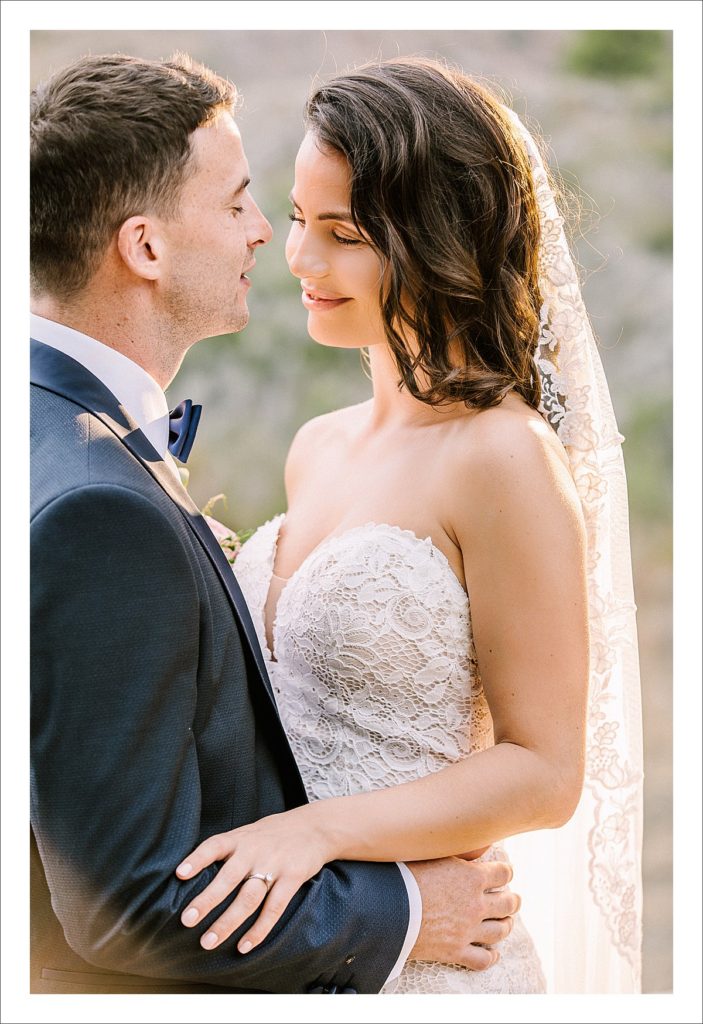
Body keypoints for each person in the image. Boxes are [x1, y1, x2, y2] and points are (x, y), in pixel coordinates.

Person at [29, 52, 521, 996]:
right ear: (144, 247)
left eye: (324, 225)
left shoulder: (45, 424)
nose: (269, 239)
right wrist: (412, 911)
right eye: (242, 204)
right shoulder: (99, 504)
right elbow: (123, 900)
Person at [177, 58, 644, 994]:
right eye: (300, 222)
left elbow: (544, 772)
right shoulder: (315, 445)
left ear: (436, 240)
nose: (301, 260)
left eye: (343, 234)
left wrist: (313, 832)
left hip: (432, 962)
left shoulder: (502, 456)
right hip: (301, 940)